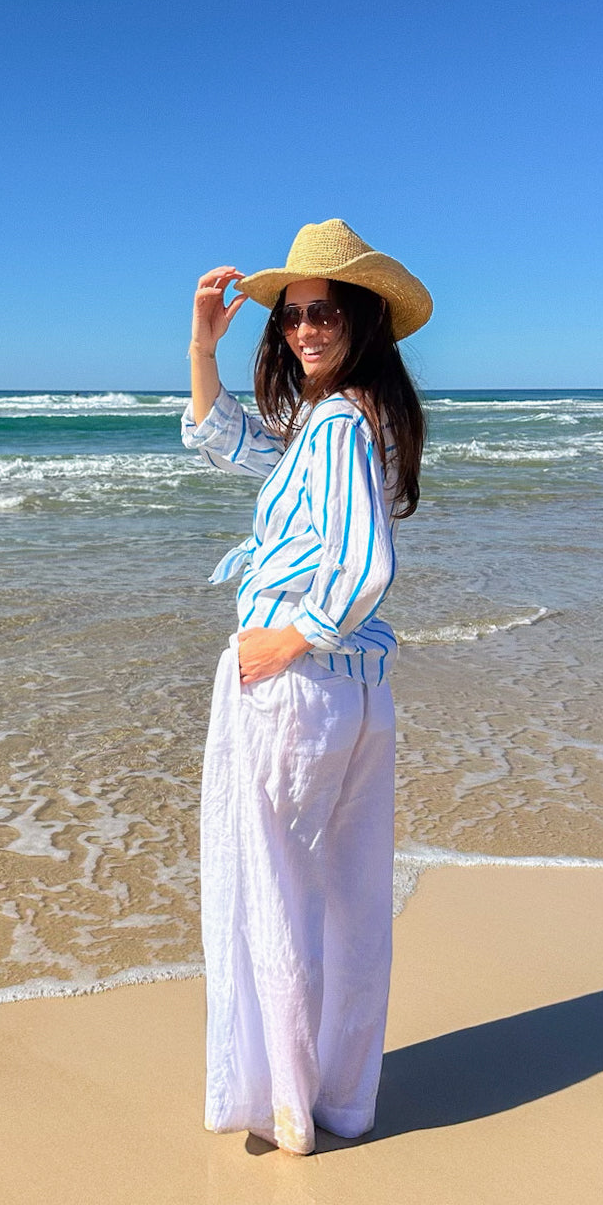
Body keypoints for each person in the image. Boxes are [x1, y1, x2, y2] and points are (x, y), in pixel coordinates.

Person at [182, 218, 432, 1156]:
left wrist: (283, 640)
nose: (306, 330)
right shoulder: (346, 417)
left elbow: (365, 559)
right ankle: (345, 1100)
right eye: (292, 318)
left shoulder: (335, 422)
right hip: (358, 688)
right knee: (353, 898)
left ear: (362, 316)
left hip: (303, 682)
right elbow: (227, 440)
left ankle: (290, 1110)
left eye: (324, 312)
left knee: (277, 892)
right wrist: (204, 345)